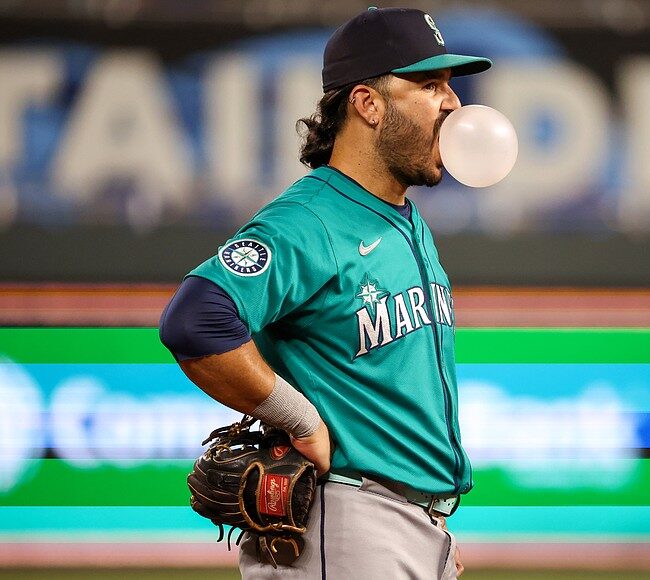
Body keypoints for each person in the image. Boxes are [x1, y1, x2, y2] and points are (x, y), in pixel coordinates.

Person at [159, 6, 491, 579]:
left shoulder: (404, 219)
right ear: (368, 103)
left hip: (403, 525)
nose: (453, 103)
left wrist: (426, 525)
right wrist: (299, 419)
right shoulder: (309, 220)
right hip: (347, 522)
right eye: (430, 84)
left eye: (449, 85)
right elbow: (196, 318)